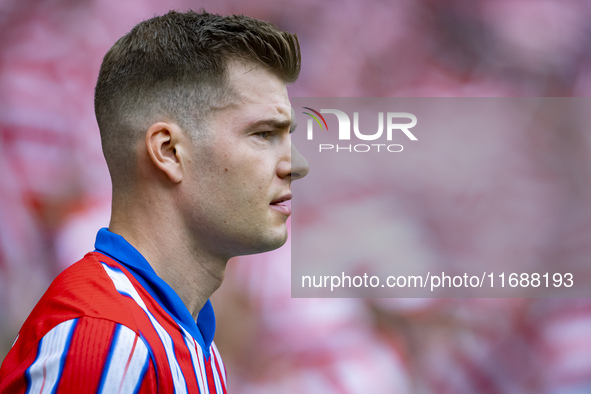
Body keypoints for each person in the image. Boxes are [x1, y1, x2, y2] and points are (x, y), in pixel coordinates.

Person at [0, 9, 308, 393]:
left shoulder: (191, 343)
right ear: (169, 152)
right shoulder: (111, 340)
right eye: (263, 134)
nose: (298, 165)